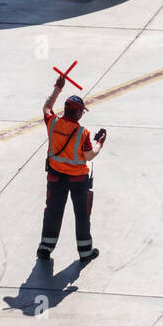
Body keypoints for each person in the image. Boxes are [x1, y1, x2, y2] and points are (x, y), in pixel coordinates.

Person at [38, 75, 106, 263]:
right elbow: (88, 156)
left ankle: (45, 248)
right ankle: (85, 252)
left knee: (53, 212)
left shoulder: (52, 123)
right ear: (77, 113)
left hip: (55, 178)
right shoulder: (82, 133)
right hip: (78, 181)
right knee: (82, 214)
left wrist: (57, 88)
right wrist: (99, 143)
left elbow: (46, 107)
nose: (82, 115)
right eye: (81, 112)